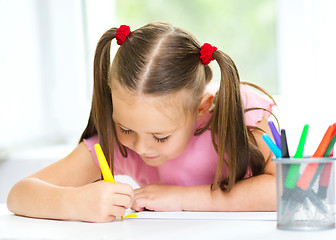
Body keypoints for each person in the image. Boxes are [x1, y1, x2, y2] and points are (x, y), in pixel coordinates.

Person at [7, 22, 277, 222]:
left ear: (201, 108)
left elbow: (285, 190)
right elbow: (19, 194)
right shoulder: (116, 144)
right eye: (126, 128)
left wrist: (181, 198)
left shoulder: (238, 112)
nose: (142, 147)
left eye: (161, 136)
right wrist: (75, 201)